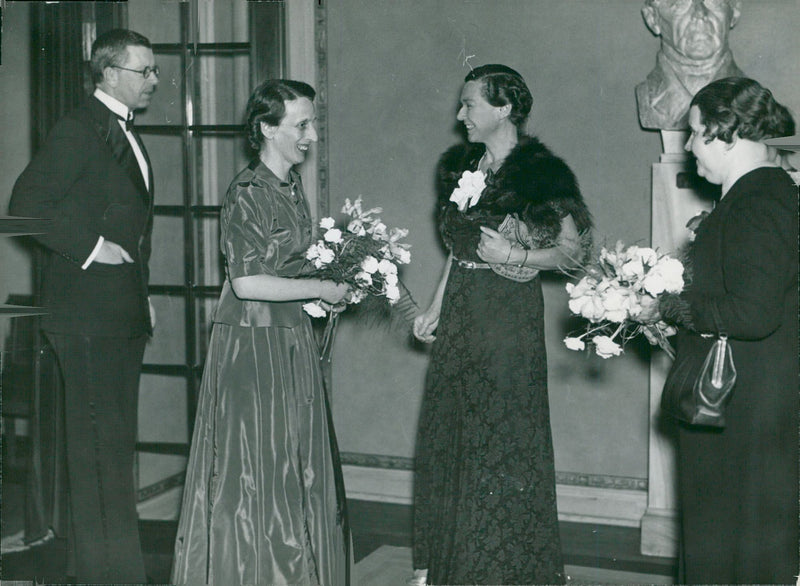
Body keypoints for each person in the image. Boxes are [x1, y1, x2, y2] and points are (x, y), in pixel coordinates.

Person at [411, 64, 592, 585]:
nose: (460, 114)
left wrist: (515, 254)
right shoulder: (461, 165)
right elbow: (460, 249)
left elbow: (573, 252)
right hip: (462, 310)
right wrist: (436, 305)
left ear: (505, 108)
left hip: (506, 318)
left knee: (502, 439)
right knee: (453, 433)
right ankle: (451, 568)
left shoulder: (540, 172)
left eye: (470, 104)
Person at [171, 79, 351, 585]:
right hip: (252, 345)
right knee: (256, 471)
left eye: (312, 123)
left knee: (291, 467)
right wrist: (319, 286)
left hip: (289, 338)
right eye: (302, 125)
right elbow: (247, 282)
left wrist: (325, 290)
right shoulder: (248, 192)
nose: (312, 135)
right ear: (268, 129)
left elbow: (283, 270)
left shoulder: (289, 185)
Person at [8, 29, 158, 583]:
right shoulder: (78, 128)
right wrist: (93, 249)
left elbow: (131, 229)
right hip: (86, 317)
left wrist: (141, 296)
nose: (154, 80)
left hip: (119, 314)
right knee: (99, 456)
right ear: (110, 73)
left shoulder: (122, 130)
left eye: (154, 70)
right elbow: (25, 205)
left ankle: (105, 571)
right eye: (145, 71)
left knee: (109, 455)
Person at [651, 77, 798, 583]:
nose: (690, 146)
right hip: (749, 402)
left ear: (727, 132)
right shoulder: (765, 195)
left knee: (731, 549)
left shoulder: (758, 203)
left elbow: (753, 313)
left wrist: (670, 305)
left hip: (745, 410)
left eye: (695, 133)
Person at [636, 0, 744, 130]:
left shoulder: (749, 97)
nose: (699, 15)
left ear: (735, 12)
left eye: (715, 2)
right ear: (652, 18)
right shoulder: (649, 94)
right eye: (680, 4)